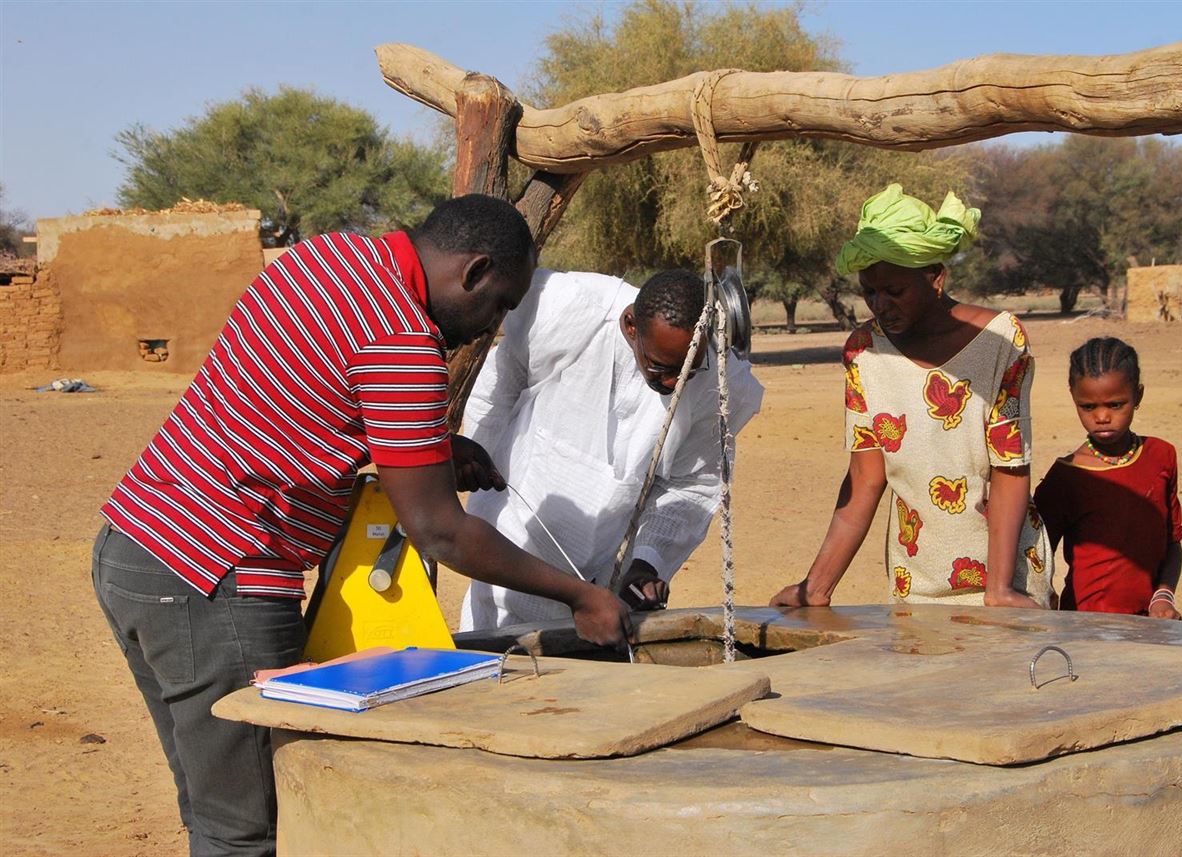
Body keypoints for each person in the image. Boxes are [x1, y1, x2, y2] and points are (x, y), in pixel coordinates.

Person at [91, 195, 633, 857]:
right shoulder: (404, 344)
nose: (491, 326)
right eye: (500, 304)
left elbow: (298, 392)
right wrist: (581, 595)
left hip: (138, 547)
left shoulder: (330, 257)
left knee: (214, 807)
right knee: (254, 825)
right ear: (475, 270)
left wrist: (430, 445)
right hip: (220, 577)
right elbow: (440, 531)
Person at [771, 183, 1052, 609]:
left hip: (1005, 577)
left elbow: (1010, 468)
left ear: (935, 277)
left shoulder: (1000, 341)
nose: (880, 305)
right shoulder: (864, 352)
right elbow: (866, 479)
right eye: (869, 291)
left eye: (895, 291)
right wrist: (816, 588)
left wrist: (999, 590)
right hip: (915, 582)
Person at [458, 268, 764, 630]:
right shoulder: (572, 310)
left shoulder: (716, 380)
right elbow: (499, 385)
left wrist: (647, 561)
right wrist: (480, 457)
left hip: (605, 574)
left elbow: (691, 485)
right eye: (660, 367)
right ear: (630, 326)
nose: (673, 383)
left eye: (687, 371)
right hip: (511, 554)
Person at [1034, 337, 1182, 618]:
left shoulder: (1161, 457)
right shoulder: (1067, 477)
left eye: (1116, 405)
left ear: (1138, 396)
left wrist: (1163, 597)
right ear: (1073, 397)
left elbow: (1172, 542)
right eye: (1088, 407)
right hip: (1084, 627)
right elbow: (1037, 558)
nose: (1102, 417)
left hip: (1149, 625)